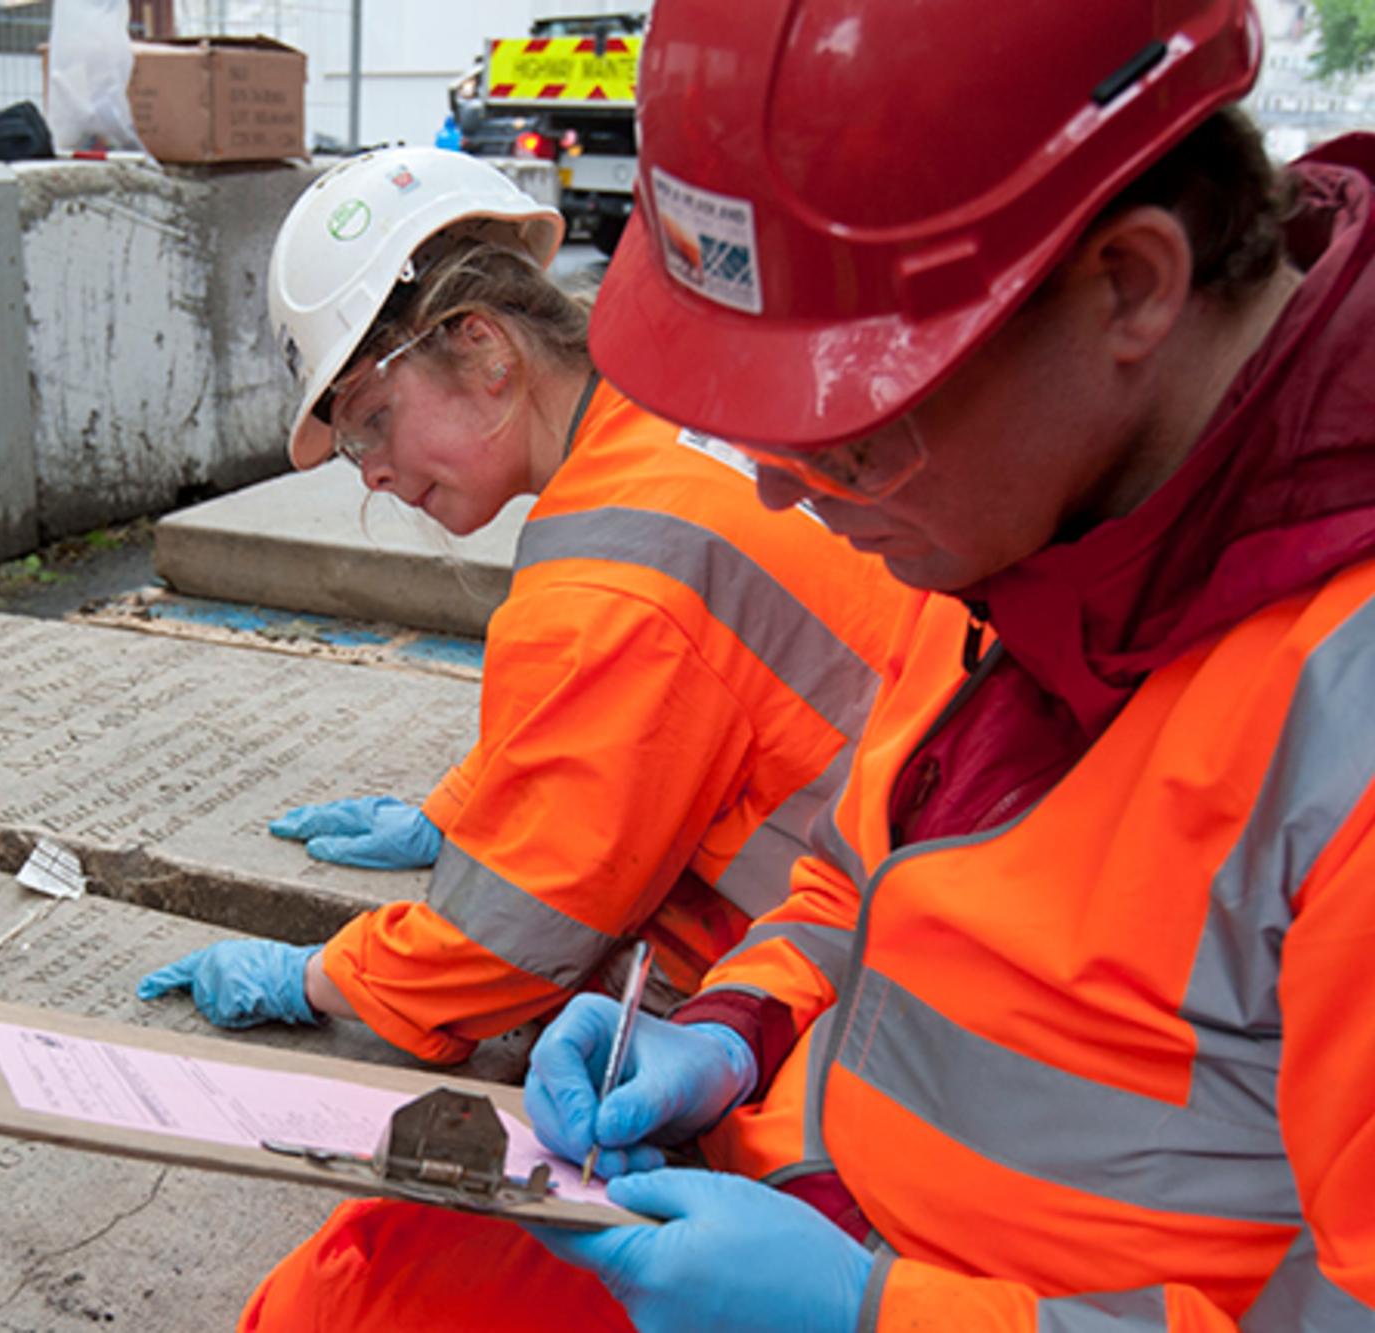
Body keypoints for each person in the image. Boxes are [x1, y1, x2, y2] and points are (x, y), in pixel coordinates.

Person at [242, 2, 1375, 1328]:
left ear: (1126, 286)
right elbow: (854, 876)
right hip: (812, 1183)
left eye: (842, 428)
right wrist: (730, 1031)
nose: (781, 491)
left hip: (959, 1289)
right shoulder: (1015, 529)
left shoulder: (1328, 723)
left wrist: (869, 1313)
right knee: (357, 1289)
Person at [138, 147, 909, 1065]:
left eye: (373, 419)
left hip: (875, 983)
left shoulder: (614, 569)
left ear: (483, 348)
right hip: (921, 868)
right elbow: (611, 714)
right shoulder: (666, 414)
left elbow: (509, 938)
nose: (373, 473)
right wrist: (456, 810)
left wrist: (315, 976)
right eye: (352, 446)